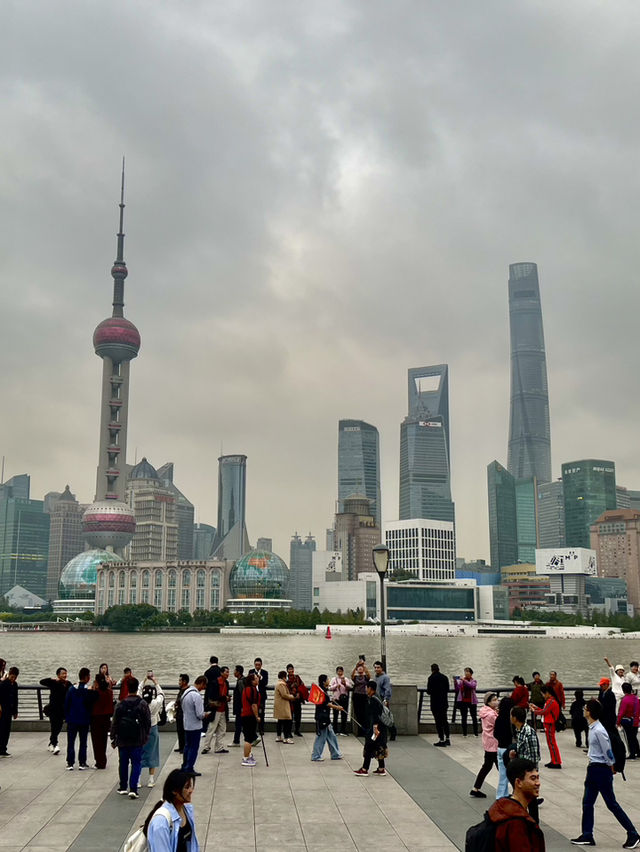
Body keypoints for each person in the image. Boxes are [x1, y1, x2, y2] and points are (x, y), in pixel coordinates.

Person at [570, 698, 640, 848]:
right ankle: (587, 834)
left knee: (611, 804)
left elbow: (607, 751)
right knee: (587, 803)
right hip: (593, 768)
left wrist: (611, 766)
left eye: (585, 708)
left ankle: (633, 833)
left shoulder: (599, 730)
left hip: (601, 770)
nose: (584, 709)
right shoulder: (593, 728)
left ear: (589, 712)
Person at [486, 758, 545, 852]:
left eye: (538, 778)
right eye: (533, 778)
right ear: (518, 782)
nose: (538, 783)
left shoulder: (502, 807)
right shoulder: (517, 823)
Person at [110, 676, 151, 798]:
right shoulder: (142, 704)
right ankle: (133, 788)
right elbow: (147, 722)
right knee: (136, 763)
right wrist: (145, 735)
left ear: (127, 688)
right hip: (137, 739)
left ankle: (123, 787)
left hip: (122, 739)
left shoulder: (120, 704)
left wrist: (113, 737)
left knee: (122, 763)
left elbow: (115, 722)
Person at [144, 768, 200, 852]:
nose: (191, 791)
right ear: (174, 791)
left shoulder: (186, 810)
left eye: (191, 786)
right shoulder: (161, 822)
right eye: (186, 787)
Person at [509, 706, 542, 822]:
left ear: (515, 718)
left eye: (511, 715)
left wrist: (529, 772)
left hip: (527, 772)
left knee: (531, 799)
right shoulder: (520, 731)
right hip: (522, 771)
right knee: (524, 797)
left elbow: (533, 756)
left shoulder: (528, 732)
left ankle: (534, 823)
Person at [353, 680, 388, 776]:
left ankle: (364, 769)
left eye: (366, 687)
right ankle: (381, 768)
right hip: (380, 728)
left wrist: (375, 729)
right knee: (378, 746)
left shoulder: (373, 700)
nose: (365, 689)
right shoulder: (377, 697)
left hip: (375, 729)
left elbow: (375, 716)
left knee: (369, 746)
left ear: (370, 689)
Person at [65, 667, 96, 770]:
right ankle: (82, 762)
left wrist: (67, 717)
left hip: (72, 720)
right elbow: (92, 704)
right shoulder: (88, 690)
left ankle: (70, 763)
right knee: (83, 742)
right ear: (87, 677)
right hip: (84, 720)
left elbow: (67, 705)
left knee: (71, 742)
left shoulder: (71, 689)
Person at [470, 692, 499, 798]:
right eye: (494, 700)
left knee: (487, 766)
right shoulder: (491, 715)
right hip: (494, 743)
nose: (497, 701)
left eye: (497, 699)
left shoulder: (486, 712)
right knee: (503, 769)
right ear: (488, 702)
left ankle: (476, 788)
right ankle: (519, 792)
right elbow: (499, 724)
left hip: (488, 743)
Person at [180, 676, 210, 775]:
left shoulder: (186, 693)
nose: (204, 687)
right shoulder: (196, 696)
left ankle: (184, 766)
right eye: (204, 685)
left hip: (186, 724)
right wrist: (206, 714)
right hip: (195, 726)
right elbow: (200, 714)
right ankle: (189, 768)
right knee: (194, 748)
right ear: (201, 683)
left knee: (187, 746)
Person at [311, 674, 343, 762]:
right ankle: (316, 756)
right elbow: (326, 704)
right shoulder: (321, 691)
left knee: (332, 736)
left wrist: (330, 700)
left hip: (325, 717)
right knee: (321, 737)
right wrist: (337, 707)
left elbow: (326, 701)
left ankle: (335, 754)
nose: (329, 681)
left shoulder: (324, 690)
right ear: (324, 682)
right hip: (322, 718)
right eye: (327, 679)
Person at [39, 666, 70, 755]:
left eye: (65, 673)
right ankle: (55, 745)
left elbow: (73, 689)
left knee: (58, 727)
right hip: (53, 709)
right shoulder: (53, 683)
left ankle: (51, 743)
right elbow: (41, 682)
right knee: (54, 727)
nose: (65, 675)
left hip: (62, 710)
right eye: (63, 674)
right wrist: (52, 679)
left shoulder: (67, 684)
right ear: (58, 675)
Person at [140, 676, 165, 787]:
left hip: (141, 729)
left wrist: (144, 680)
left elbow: (137, 691)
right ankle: (151, 780)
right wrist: (156, 682)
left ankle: (138, 780)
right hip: (153, 728)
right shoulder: (155, 703)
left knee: (139, 753)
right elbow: (161, 694)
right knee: (153, 753)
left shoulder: (139, 703)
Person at [530, 685, 561, 768]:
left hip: (550, 723)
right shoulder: (550, 701)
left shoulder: (551, 701)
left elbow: (544, 711)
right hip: (548, 723)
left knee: (552, 743)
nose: (543, 696)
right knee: (550, 743)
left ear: (547, 693)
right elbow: (545, 711)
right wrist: (536, 708)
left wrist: (534, 711)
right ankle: (553, 760)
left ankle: (556, 761)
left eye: (543, 694)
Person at [201, 666, 229, 754]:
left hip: (223, 709)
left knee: (222, 729)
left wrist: (226, 698)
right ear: (221, 673)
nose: (227, 674)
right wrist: (224, 698)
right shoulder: (215, 683)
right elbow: (212, 696)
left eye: (228, 672)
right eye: (226, 672)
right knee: (211, 728)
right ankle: (206, 747)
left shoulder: (226, 683)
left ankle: (219, 747)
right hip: (216, 709)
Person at [90, 669, 114, 769]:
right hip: (106, 719)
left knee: (96, 741)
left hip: (96, 719)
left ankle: (99, 762)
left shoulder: (95, 693)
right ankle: (103, 761)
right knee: (103, 741)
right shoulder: (109, 692)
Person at [494, 696, 514, 799]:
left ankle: (502, 794)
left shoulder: (498, 718)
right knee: (511, 774)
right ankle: (503, 795)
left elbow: (495, 734)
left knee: (502, 774)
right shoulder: (511, 720)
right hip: (508, 748)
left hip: (500, 747)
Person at [427, 663, 451, 747]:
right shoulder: (445, 678)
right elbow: (447, 689)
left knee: (438, 722)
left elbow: (429, 691)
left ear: (432, 669)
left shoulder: (431, 678)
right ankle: (447, 739)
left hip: (435, 703)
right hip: (444, 703)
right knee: (444, 721)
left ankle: (441, 739)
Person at [241, 672, 260, 767]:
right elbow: (254, 705)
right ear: (252, 681)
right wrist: (257, 717)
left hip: (245, 715)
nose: (258, 679)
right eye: (256, 678)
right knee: (248, 738)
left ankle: (248, 755)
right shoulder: (252, 690)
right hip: (249, 716)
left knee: (250, 736)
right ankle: (245, 758)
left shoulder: (246, 689)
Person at [373, 660, 396, 740]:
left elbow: (388, 689)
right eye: (375, 667)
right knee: (379, 717)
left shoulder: (385, 677)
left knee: (386, 716)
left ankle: (393, 732)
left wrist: (386, 699)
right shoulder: (375, 677)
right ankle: (379, 733)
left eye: (378, 667)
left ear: (382, 668)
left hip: (383, 699)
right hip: (377, 699)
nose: (376, 669)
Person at [617, 682, 640, 760]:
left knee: (629, 738)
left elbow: (621, 712)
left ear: (623, 690)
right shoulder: (636, 698)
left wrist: (618, 722)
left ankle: (632, 753)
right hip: (635, 720)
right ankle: (638, 751)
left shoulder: (625, 699)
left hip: (627, 720)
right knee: (634, 737)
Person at [0, 666, 19, 756]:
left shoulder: (15, 685)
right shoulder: (3, 684)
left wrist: (15, 711)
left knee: (7, 730)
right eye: (12, 677)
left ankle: (4, 748)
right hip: (2, 710)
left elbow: (15, 699)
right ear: (9, 675)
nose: (13, 679)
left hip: (9, 711)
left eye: (15, 677)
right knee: (2, 729)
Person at [454, 667, 478, 737]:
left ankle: (475, 733)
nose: (466, 673)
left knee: (474, 717)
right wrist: (455, 682)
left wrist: (463, 680)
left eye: (468, 672)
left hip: (472, 702)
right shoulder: (462, 681)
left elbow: (471, 686)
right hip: (463, 701)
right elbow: (457, 689)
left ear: (471, 673)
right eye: (465, 672)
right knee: (464, 717)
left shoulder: (474, 681)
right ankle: (464, 733)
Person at [329, 666, 352, 736]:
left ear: (343, 672)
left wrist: (345, 683)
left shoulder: (346, 679)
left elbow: (350, 687)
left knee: (344, 715)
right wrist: (336, 686)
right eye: (338, 671)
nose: (340, 673)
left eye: (341, 671)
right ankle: (335, 730)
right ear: (336, 672)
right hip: (336, 699)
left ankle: (343, 730)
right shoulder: (334, 679)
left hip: (344, 699)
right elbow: (329, 688)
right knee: (335, 715)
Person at [273, 670, 295, 743]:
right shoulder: (281, 684)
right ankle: (286, 738)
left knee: (280, 721)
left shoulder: (278, 684)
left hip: (280, 705)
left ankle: (279, 736)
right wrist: (292, 696)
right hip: (283, 705)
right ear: (284, 677)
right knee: (287, 722)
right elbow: (284, 695)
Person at [285, 664, 306, 737]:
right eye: (289, 669)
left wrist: (299, 694)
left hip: (298, 699)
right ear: (287, 670)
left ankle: (297, 730)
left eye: (292, 669)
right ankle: (289, 732)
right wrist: (293, 695)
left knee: (298, 716)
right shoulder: (286, 679)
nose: (291, 670)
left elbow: (302, 685)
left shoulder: (297, 677)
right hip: (290, 700)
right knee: (290, 717)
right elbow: (286, 690)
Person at [249, 658, 269, 734]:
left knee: (262, 713)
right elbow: (248, 682)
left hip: (261, 696)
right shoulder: (251, 672)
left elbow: (265, 683)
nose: (257, 666)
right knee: (252, 712)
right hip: (253, 695)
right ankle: (253, 729)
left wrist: (261, 678)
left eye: (259, 665)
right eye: (256, 665)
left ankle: (261, 729)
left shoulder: (265, 673)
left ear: (261, 665)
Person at [350, 660, 370, 737]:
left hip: (364, 696)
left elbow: (369, 675)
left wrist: (364, 666)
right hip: (356, 696)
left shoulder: (365, 677)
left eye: (362, 668)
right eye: (359, 668)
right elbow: (351, 676)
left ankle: (364, 731)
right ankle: (359, 732)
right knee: (357, 714)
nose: (360, 669)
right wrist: (356, 666)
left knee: (364, 714)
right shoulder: (355, 677)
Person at [174, 674, 189, 754]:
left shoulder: (187, 691)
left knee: (183, 731)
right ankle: (181, 746)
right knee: (179, 730)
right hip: (179, 713)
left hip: (184, 713)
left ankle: (184, 747)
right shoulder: (181, 690)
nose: (179, 682)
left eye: (180, 680)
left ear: (184, 681)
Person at [231, 666, 245, 747]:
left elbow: (243, 695)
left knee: (238, 724)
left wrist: (243, 706)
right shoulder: (241, 680)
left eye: (235, 670)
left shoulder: (240, 682)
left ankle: (236, 741)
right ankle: (253, 737)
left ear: (238, 672)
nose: (234, 672)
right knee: (241, 724)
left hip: (240, 707)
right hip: (241, 707)